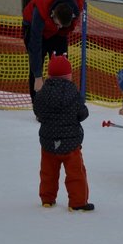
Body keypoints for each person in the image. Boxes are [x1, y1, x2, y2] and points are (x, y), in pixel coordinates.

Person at [32, 54, 93, 211]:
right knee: (76, 174)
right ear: (69, 75)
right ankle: (78, 202)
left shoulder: (42, 93)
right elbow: (82, 113)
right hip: (71, 143)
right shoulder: (73, 93)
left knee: (48, 173)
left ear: (49, 75)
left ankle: (47, 199)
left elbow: (38, 111)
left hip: (48, 142)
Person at [22, 0, 83, 102]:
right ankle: (38, 104)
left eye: (61, 25)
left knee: (60, 64)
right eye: (57, 24)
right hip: (34, 29)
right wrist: (38, 77)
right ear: (53, 13)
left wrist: (60, 28)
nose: (58, 27)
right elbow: (35, 45)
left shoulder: (75, 10)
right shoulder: (40, 10)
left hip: (57, 35)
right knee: (36, 64)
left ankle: (60, 101)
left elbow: (64, 29)